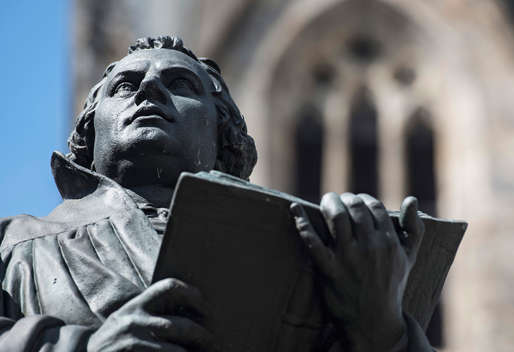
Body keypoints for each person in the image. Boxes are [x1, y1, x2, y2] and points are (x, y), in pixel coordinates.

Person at [0, 36, 433, 351]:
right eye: (125, 86)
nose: (150, 90)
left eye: (181, 85)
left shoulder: (307, 260)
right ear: (89, 133)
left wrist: (381, 330)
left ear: (223, 135)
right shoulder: (14, 245)